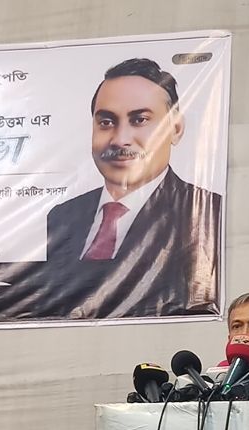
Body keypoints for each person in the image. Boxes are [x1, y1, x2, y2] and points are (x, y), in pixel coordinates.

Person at [45, 57, 222, 319]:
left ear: (176, 129)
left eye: (139, 120)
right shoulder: (61, 217)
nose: (120, 139)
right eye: (106, 122)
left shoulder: (204, 213)